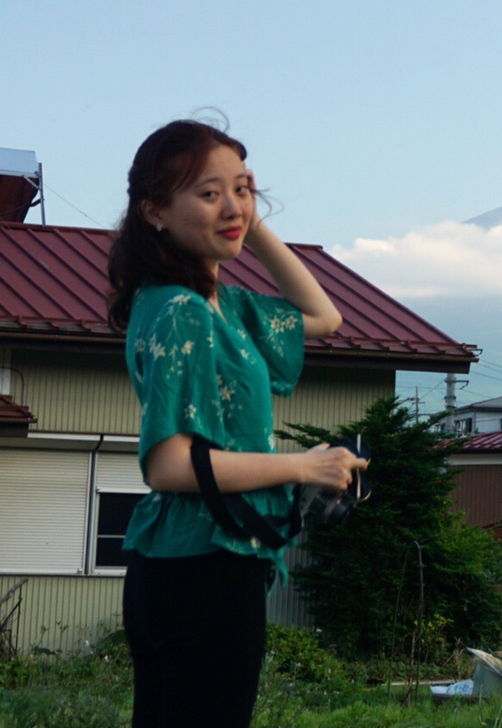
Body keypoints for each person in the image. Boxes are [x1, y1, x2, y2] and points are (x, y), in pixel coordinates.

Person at [107, 120, 369, 728]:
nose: (233, 207)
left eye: (244, 189)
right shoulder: (179, 311)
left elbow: (322, 315)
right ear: (155, 211)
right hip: (204, 569)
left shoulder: (218, 303)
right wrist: (306, 465)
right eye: (208, 193)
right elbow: (169, 464)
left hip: (186, 564)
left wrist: (247, 228)